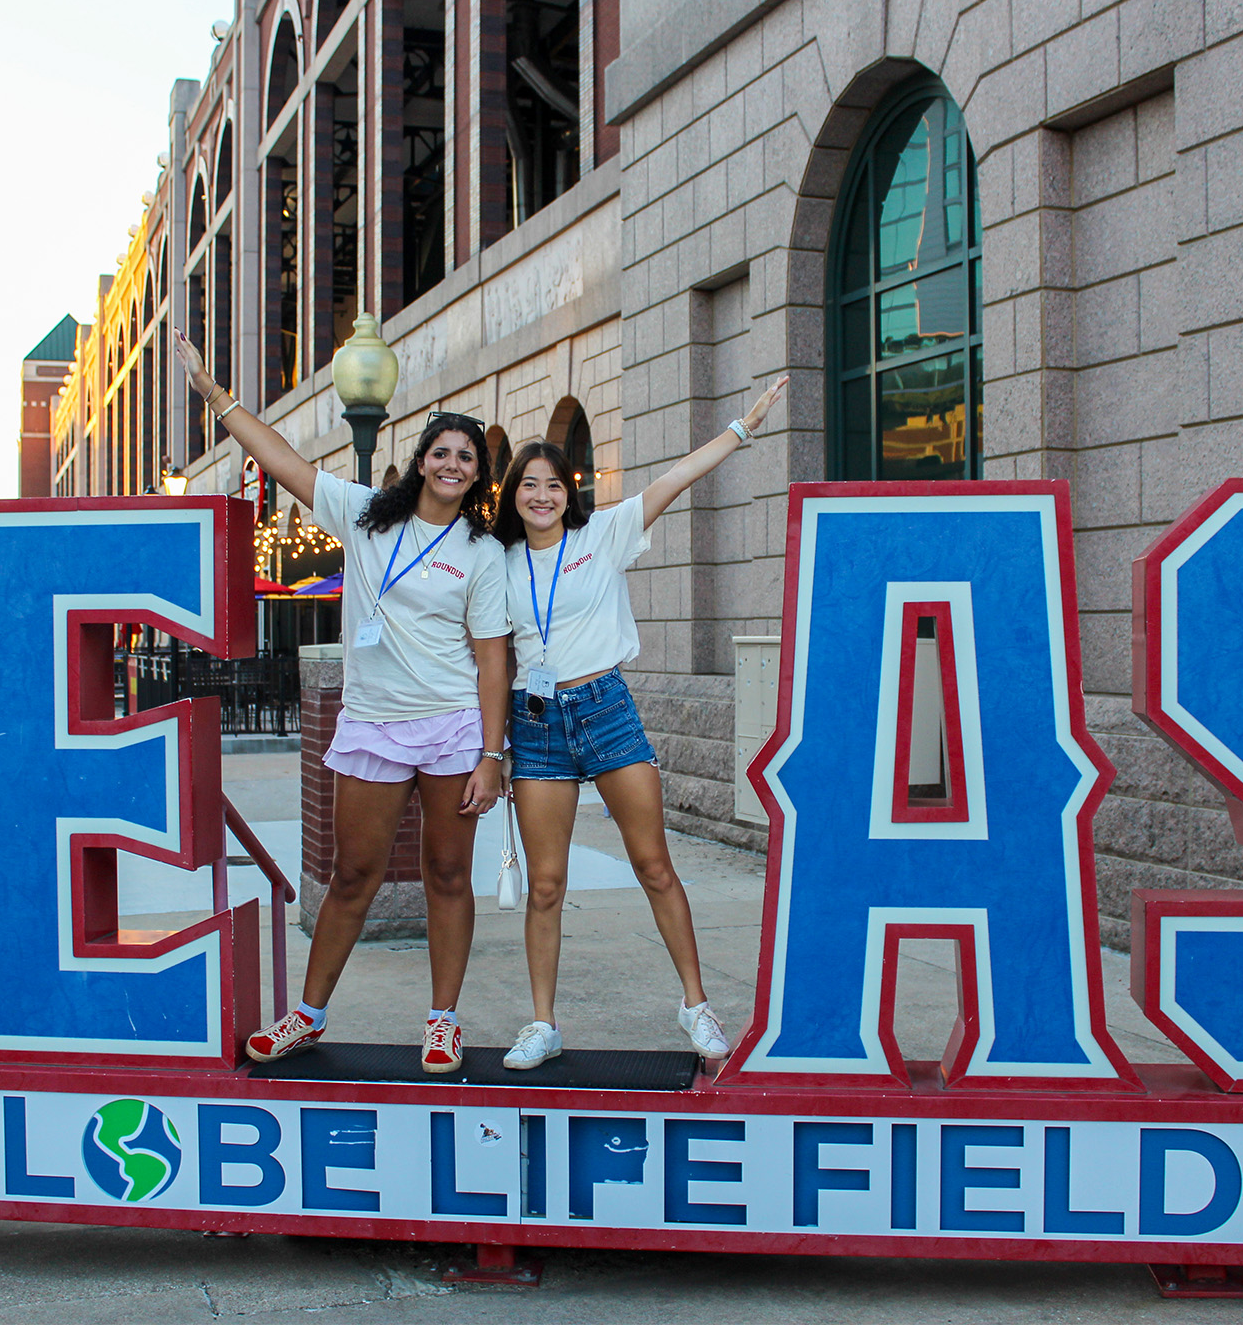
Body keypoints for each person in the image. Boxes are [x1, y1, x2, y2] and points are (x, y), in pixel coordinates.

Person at [173, 329, 510, 1073]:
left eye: (466, 457)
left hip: (453, 728)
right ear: (421, 461)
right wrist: (215, 397)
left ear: (477, 473)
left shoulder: (482, 553)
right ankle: (308, 1014)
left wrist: (492, 754)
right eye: (441, 452)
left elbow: (493, 661)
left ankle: (443, 1021)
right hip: (374, 726)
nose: (452, 464)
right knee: (353, 874)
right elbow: (284, 460)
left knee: (447, 876)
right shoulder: (365, 516)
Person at [493, 375, 790, 1069]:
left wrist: (743, 427)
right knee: (546, 884)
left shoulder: (606, 532)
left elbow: (677, 477)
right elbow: (491, 655)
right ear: (513, 494)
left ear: (571, 493)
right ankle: (543, 1023)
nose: (542, 496)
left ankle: (696, 1005)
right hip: (535, 725)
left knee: (654, 865)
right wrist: (496, 746)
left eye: (554, 485)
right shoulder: (497, 561)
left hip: (605, 710)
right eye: (529, 485)